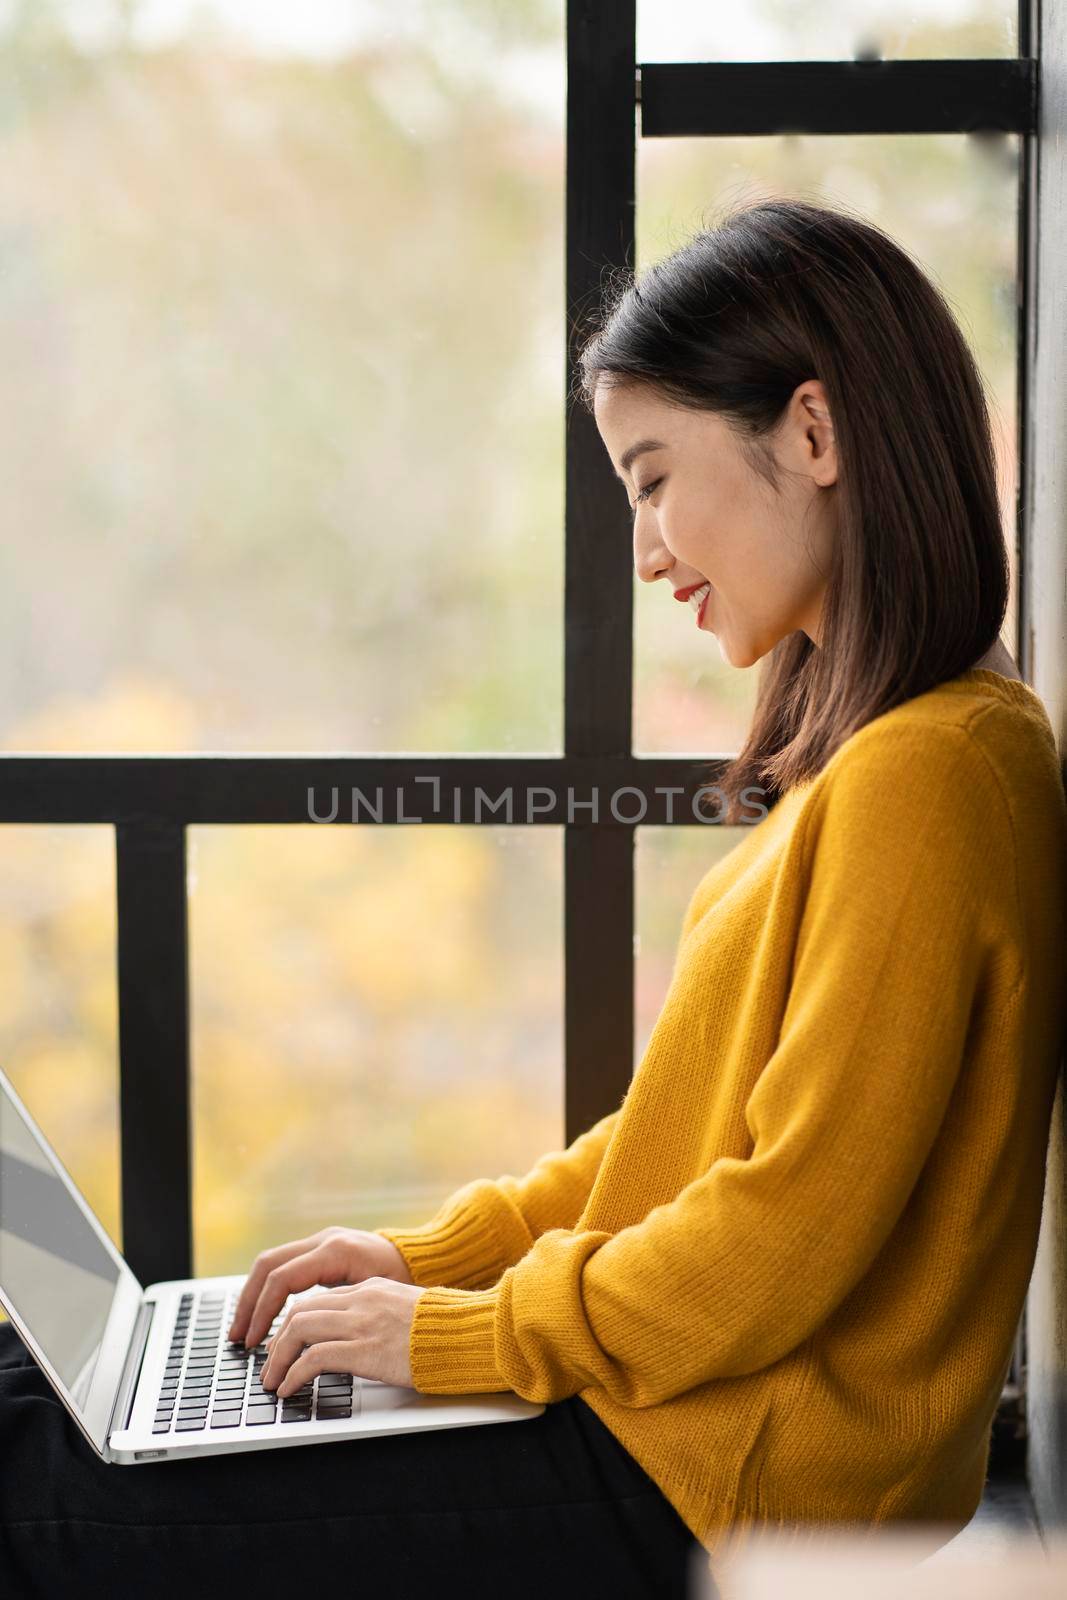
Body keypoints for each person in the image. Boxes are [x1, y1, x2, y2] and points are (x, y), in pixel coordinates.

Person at [2, 196, 1065, 1600]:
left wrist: (450, 1336)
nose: (645, 549)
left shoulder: (937, 777)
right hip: (666, 1422)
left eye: (651, 475)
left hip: (706, 1477)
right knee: (28, 1380)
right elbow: (677, 1147)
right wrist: (424, 1256)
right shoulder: (887, 757)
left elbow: (776, 1237)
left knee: (28, 1484)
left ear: (813, 434)